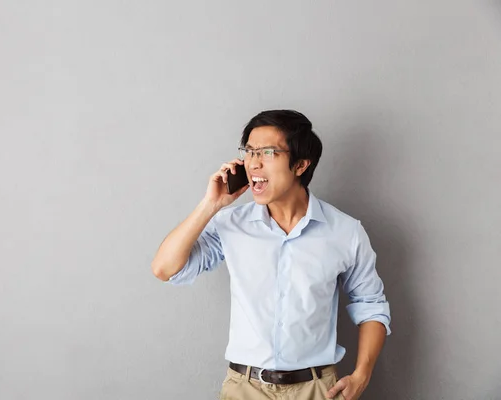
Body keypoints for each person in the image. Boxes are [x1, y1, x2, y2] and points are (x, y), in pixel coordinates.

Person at [151, 110, 391, 400]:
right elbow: (165, 269)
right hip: (245, 388)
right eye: (250, 151)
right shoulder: (230, 223)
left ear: (301, 165)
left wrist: (361, 375)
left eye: (268, 152)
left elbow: (371, 304)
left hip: (317, 389)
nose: (254, 163)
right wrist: (211, 205)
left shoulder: (345, 232)